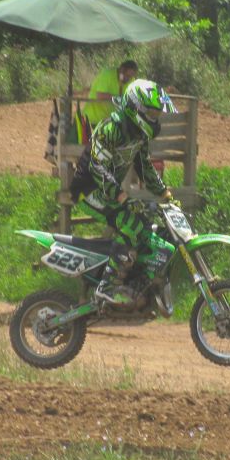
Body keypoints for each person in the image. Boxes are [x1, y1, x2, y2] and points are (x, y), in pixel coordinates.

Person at [70, 79, 178, 305]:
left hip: (109, 190)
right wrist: (120, 195)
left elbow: (144, 165)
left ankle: (133, 284)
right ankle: (106, 286)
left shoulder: (139, 133)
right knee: (131, 224)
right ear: (135, 108)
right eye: (151, 112)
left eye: (157, 113)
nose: (155, 117)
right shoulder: (112, 128)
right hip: (88, 188)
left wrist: (163, 193)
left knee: (147, 227)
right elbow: (96, 167)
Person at [83, 59, 138, 129]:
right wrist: (118, 98)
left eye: (131, 77)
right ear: (121, 70)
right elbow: (100, 96)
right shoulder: (107, 74)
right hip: (94, 119)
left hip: (111, 120)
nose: (128, 79)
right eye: (127, 75)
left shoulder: (131, 80)